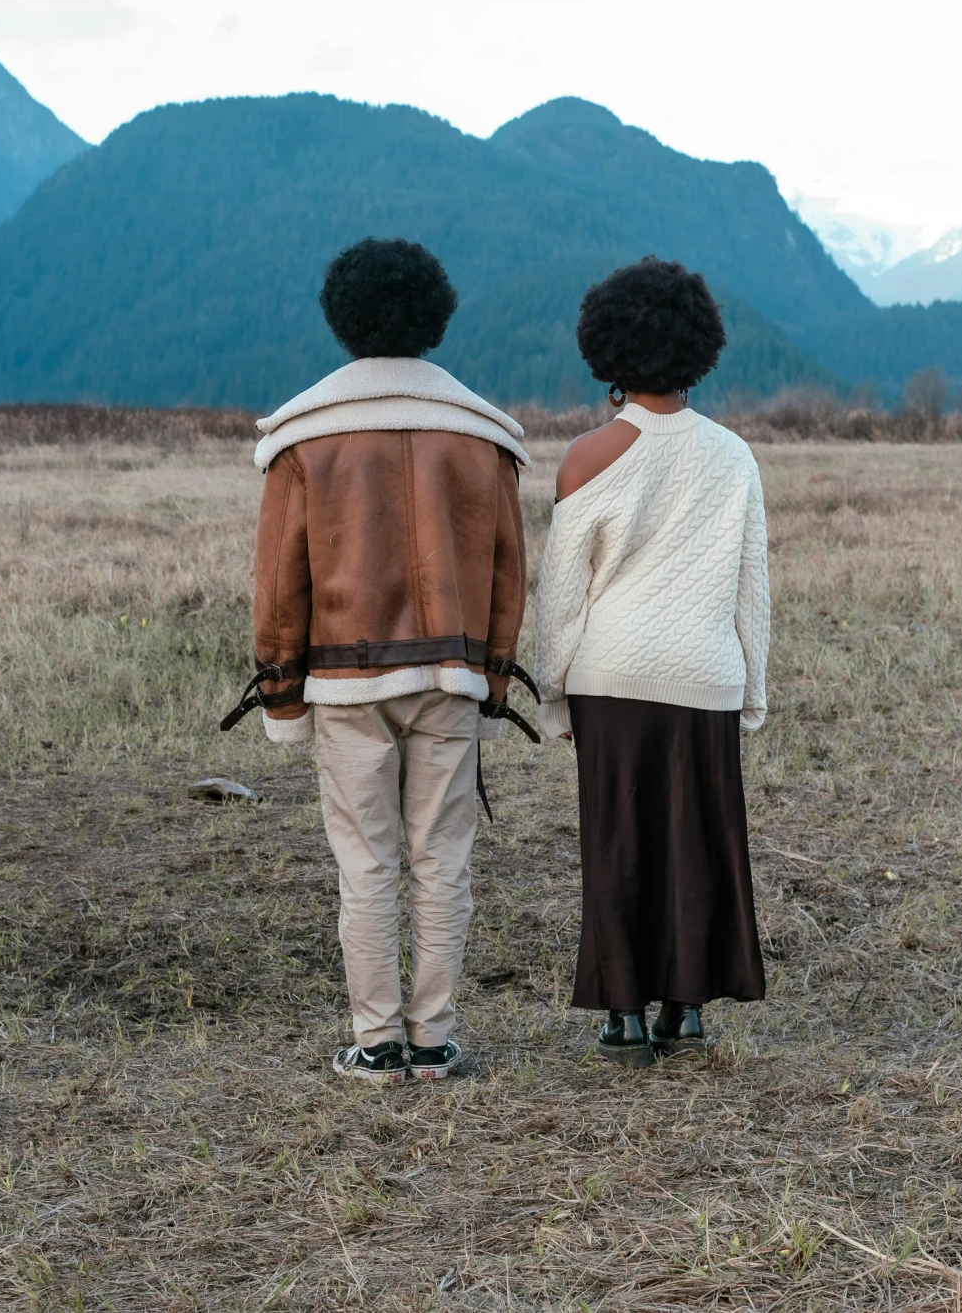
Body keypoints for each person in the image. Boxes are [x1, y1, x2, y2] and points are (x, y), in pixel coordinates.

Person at [226, 237, 531, 1084]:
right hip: (451, 675)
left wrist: (282, 698)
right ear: (434, 315)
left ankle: (376, 1042)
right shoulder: (482, 434)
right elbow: (509, 574)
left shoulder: (303, 436)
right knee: (443, 859)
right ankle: (434, 1042)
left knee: (365, 863)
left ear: (342, 318)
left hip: (343, 680)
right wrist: (493, 683)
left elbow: (278, 582)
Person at [532, 257, 769, 1065]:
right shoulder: (733, 457)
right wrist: (753, 691)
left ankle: (623, 1016)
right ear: (698, 346)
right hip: (705, 674)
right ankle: (688, 1009)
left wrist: (552, 695)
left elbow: (560, 597)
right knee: (699, 842)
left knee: (617, 840)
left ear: (607, 349)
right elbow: (751, 588)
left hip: (611, 678)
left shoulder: (584, 457)